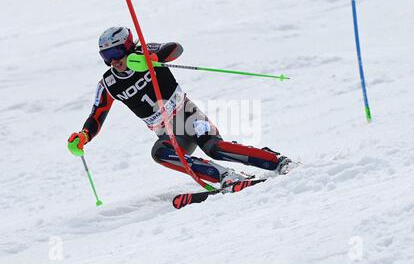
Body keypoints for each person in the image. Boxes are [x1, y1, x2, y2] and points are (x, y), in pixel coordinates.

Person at [67, 27, 292, 190]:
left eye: (116, 53)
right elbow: (96, 115)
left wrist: (151, 58)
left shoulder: (143, 51)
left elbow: (174, 48)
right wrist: (83, 136)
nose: (113, 61)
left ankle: (277, 161)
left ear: (128, 47)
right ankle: (225, 176)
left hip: (187, 114)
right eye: (106, 56)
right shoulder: (108, 83)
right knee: (159, 153)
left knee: (215, 147)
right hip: (167, 132)